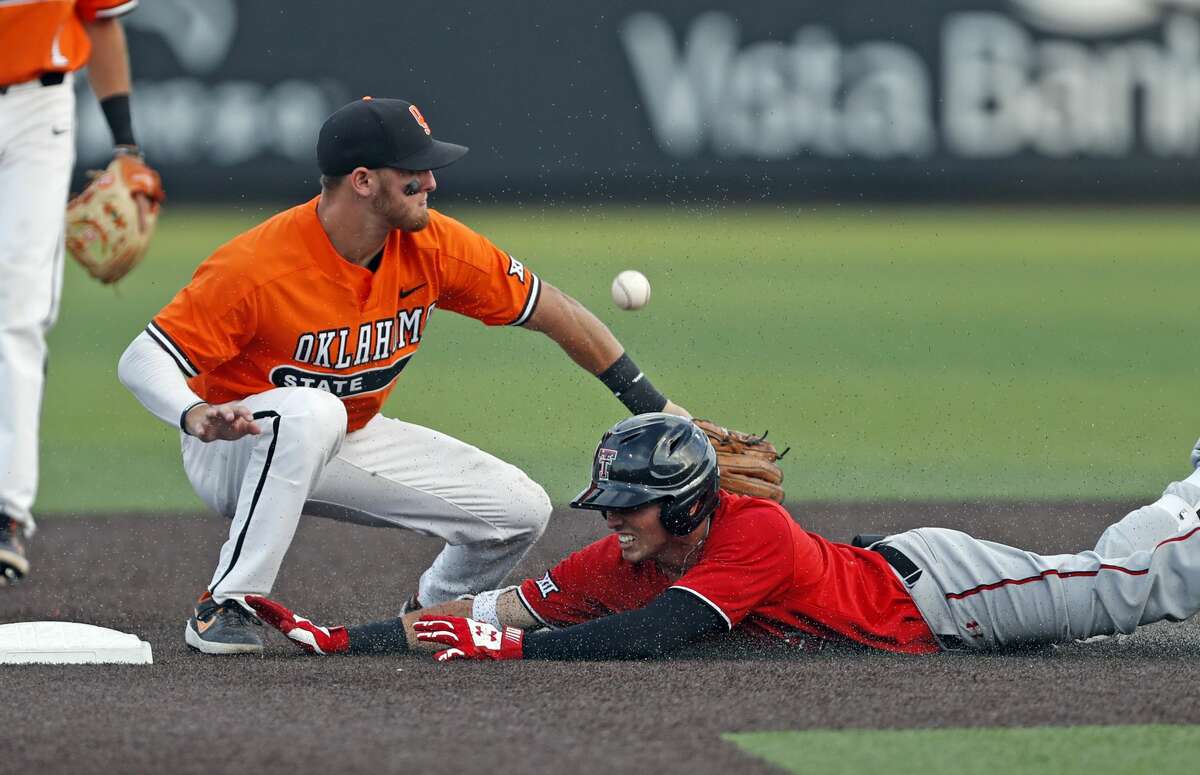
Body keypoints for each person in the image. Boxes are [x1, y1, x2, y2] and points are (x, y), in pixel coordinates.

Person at [117, 96, 689, 655]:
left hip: (345, 435)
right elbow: (141, 359)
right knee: (314, 411)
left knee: (518, 512)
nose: (431, 183)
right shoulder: (257, 267)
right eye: (413, 171)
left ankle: (432, 613)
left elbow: (553, 310)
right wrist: (194, 414)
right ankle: (227, 601)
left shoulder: (432, 245)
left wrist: (654, 408)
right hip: (236, 447)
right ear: (363, 181)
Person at [244, 412, 1200, 661]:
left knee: (1118, 587)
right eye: (609, 502)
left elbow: (658, 635)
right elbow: (476, 610)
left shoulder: (757, 534)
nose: (612, 517)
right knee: (1113, 568)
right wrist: (343, 634)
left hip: (936, 593)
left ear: (690, 507)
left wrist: (510, 646)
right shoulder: (620, 557)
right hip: (907, 591)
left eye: (630, 502)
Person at [1, 0, 157, 585]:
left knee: (18, 312)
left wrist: (125, 148)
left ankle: (7, 512)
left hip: (38, 110)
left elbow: (101, 16)